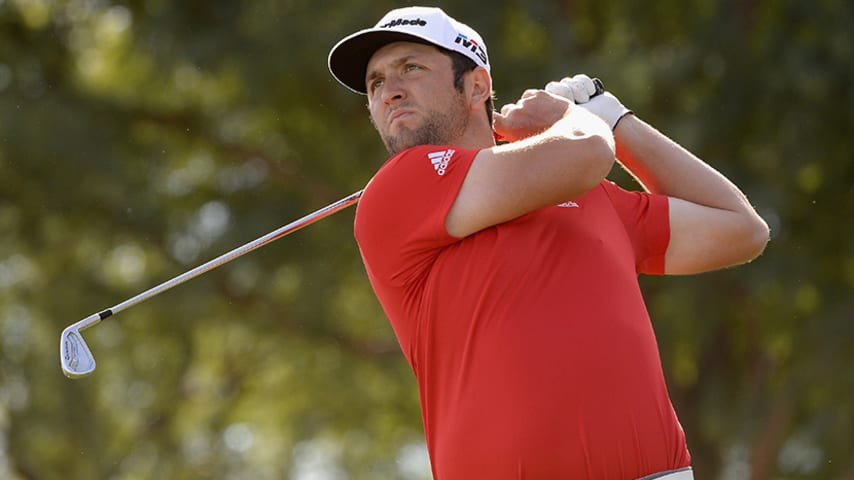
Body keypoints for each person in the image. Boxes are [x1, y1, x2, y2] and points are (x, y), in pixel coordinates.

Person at [327, 6, 768, 480]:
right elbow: (589, 152)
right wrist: (569, 118)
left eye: (411, 68)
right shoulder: (400, 189)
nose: (389, 91)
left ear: (475, 86)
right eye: (376, 83)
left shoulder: (588, 189)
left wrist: (615, 118)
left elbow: (740, 229)